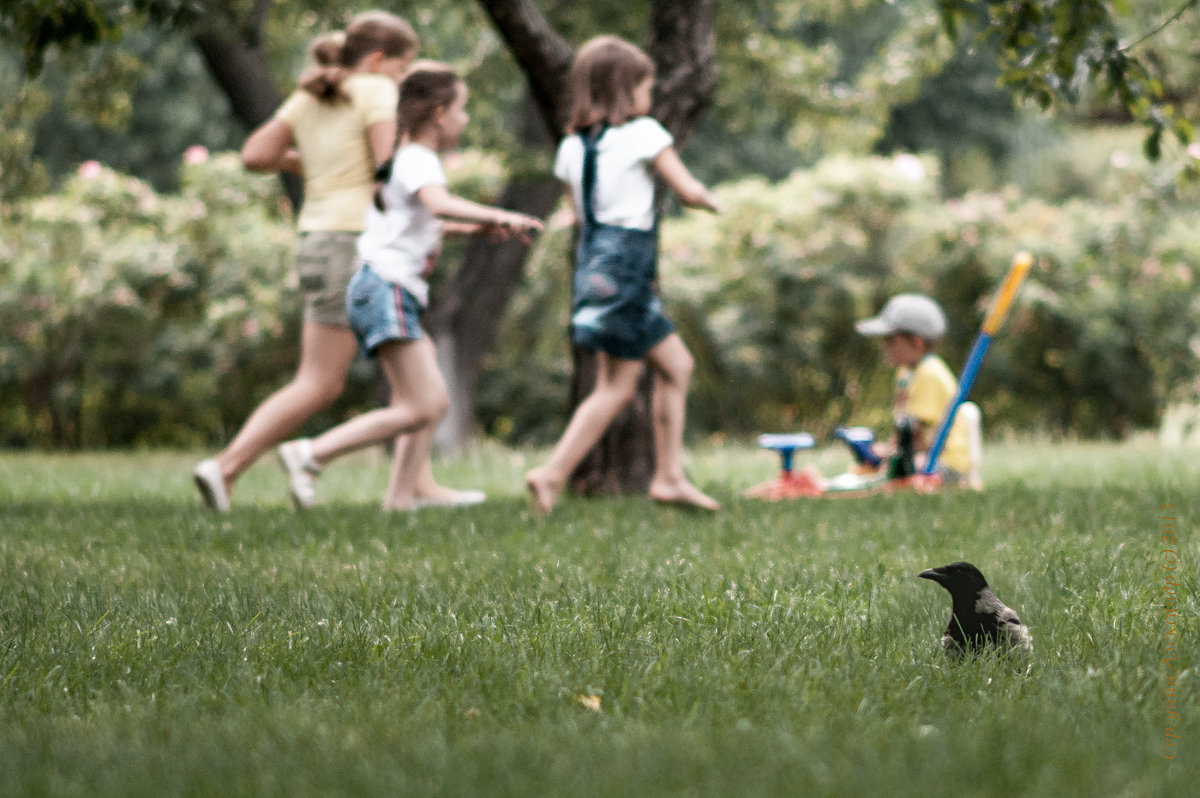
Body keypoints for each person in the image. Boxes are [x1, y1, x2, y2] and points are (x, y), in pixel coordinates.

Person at [192, 14, 480, 511]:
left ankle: (413, 487)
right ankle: (228, 466)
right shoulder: (373, 92)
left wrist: (320, 164)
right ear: (375, 60)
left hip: (318, 240)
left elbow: (257, 154)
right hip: (354, 243)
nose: (402, 83)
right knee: (322, 382)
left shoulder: (312, 97)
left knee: (416, 368)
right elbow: (387, 172)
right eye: (401, 69)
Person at [275, 64, 543, 511]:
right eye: (463, 109)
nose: (466, 119)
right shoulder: (418, 158)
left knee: (421, 397)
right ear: (439, 113)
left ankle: (400, 498)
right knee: (427, 402)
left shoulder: (402, 157)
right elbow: (437, 204)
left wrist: (472, 231)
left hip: (382, 286)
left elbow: (413, 224)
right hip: (385, 288)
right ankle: (310, 453)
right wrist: (498, 216)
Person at [524, 35, 721, 515]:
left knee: (676, 367)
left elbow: (577, 214)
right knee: (616, 386)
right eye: (645, 86)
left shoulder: (572, 146)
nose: (649, 97)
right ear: (625, 89)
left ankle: (669, 475)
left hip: (594, 272)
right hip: (628, 275)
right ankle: (552, 474)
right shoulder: (644, 134)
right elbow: (687, 189)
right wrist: (710, 200)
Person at [854, 292, 976, 485]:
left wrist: (887, 454)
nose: (884, 347)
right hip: (925, 458)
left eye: (890, 341)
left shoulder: (930, 373)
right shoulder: (906, 373)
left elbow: (915, 433)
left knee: (894, 475)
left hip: (946, 464)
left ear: (917, 343)